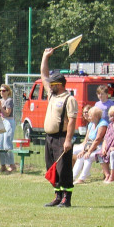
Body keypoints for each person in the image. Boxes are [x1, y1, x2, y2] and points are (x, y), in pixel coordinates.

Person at [40, 48, 78, 207]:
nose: (49, 86)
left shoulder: (69, 99)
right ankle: (57, 195)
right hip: (49, 138)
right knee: (52, 168)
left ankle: (66, 198)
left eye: (52, 84)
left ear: (60, 84)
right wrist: (45, 57)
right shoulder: (52, 95)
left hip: (62, 138)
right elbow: (44, 75)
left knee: (63, 169)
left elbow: (71, 121)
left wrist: (68, 140)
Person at [73, 106, 107, 184]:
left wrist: (88, 152)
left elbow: (97, 140)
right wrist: (83, 150)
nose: (89, 116)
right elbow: (88, 139)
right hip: (91, 146)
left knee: (88, 157)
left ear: (96, 116)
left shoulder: (103, 124)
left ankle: (81, 178)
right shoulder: (91, 124)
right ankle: (73, 177)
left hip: (101, 146)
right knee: (80, 155)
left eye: (91, 115)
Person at [0, 84, 16, 172]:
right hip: (1, 121)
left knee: (7, 143)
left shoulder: (9, 100)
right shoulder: (0, 100)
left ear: (8, 91)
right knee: (0, 144)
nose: (2, 92)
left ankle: (12, 165)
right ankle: (3, 165)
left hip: (9, 121)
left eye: (4, 90)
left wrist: (0, 106)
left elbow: (7, 113)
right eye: (0, 91)